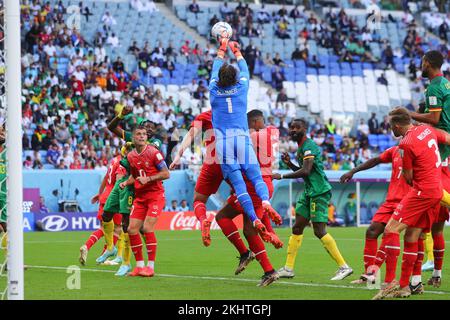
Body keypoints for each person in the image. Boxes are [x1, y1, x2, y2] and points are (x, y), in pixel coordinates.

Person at [373, 107, 450, 299]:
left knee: (391, 230)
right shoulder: (427, 129)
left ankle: (391, 283)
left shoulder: (405, 144)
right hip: (437, 190)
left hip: (422, 191)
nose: (391, 130)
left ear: (397, 126)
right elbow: (447, 138)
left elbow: (408, 177)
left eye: (391, 127)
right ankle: (410, 286)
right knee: (411, 236)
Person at [208, 37, 279, 242]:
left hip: (223, 142)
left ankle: (255, 219)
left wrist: (221, 49)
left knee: (239, 186)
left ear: (220, 79)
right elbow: (246, 70)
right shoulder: (242, 88)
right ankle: (265, 202)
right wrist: (236, 51)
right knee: (256, 179)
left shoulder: (214, 90)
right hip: (241, 139)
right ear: (236, 78)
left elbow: (214, 69)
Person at [273, 119, 353, 281]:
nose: (293, 130)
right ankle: (288, 268)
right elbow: (304, 170)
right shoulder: (301, 148)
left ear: (305, 129)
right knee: (297, 227)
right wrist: (290, 164)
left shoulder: (309, 146)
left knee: (319, 230)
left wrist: (281, 175)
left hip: (319, 192)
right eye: (291, 127)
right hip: (309, 192)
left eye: (297, 127)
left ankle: (344, 267)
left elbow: (307, 171)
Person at [215, 109, 283, 287]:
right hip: (265, 181)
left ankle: (265, 267)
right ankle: (267, 243)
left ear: (253, 123)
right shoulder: (272, 132)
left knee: (224, 217)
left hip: (253, 184)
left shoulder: (252, 136)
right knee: (249, 227)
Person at [340, 144, 411, 285]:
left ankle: (389, 280)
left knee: (390, 234)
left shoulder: (419, 149)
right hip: (391, 200)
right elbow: (375, 160)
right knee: (372, 231)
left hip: (408, 200)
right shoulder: (395, 150)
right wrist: (353, 171)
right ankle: (370, 275)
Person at [409, 50, 450, 287]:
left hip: (440, 151)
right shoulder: (446, 83)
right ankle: (436, 273)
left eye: (422, 62)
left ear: (427, 63)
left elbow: (434, 120)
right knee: (437, 227)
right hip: (445, 150)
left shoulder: (435, 86)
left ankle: (414, 280)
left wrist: (411, 116)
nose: (420, 66)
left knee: (423, 222)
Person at [119, 126, 170, 277]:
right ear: (133, 139)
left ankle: (150, 267)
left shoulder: (154, 153)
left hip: (155, 196)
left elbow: (166, 173)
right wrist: (126, 183)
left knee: (147, 228)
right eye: (138, 134)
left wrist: (148, 179)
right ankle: (139, 266)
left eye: (143, 134)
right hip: (140, 198)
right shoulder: (130, 156)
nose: (142, 136)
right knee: (131, 229)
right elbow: (135, 176)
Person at [79, 154, 123, 265]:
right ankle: (104, 257)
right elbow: (119, 182)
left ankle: (86, 246)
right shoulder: (124, 162)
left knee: (104, 228)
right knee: (117, 228)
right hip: (114, 198)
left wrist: (99, 194)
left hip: (105, 196)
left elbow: (105, 178)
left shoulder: (114, 160)